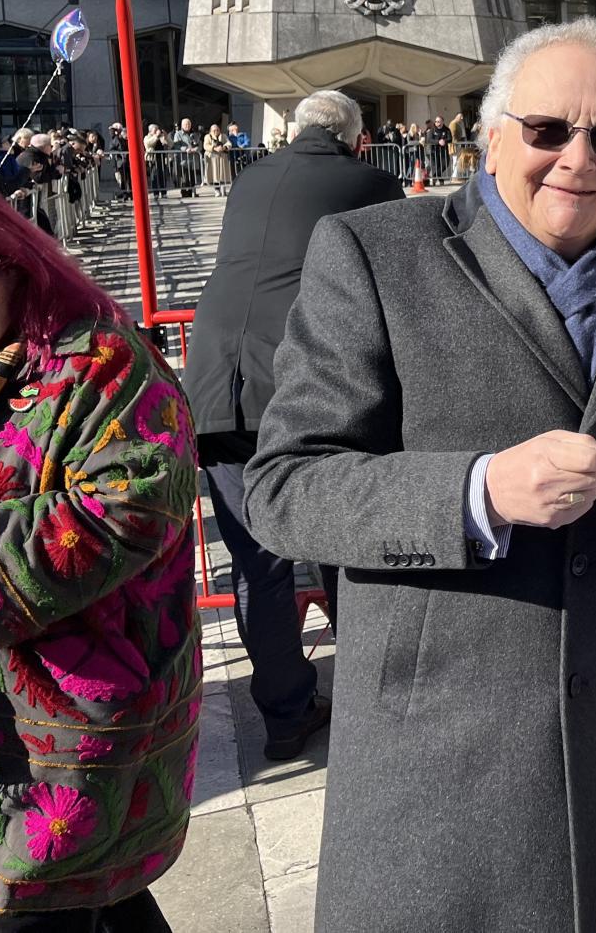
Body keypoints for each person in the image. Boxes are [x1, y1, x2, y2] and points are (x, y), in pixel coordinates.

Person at [243, 21, 596, 931]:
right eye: (548, 130)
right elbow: (285, 487)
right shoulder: (375, 254)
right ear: (490, 137)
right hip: (434, 755)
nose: (578, 159)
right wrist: (477, 491)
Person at [0, 182, 201, 928]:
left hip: (68, 716)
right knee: (99, 898)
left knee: (26, 902)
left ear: (9, 267)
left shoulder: (104, 364)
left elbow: (130, 511)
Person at [183, 90, 402, 763]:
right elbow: (399, 279)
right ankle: (369, 696)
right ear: (357, 139)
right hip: (301, 380)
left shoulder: (250, 176)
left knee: (258, 563)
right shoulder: (369, 182)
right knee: (342, 541)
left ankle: (285, 713)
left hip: (217, 380)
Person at [170, 118, 201, 197]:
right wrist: (185, 149)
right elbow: (176, 145)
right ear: (182, 126)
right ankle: (184, 192)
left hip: (193, 159)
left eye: (189, 124)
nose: (187, 126)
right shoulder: (178, 134)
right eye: (186, 124)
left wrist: (197, 148)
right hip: (183, 160)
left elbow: (199, 143)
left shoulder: (194, 134)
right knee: (184, 177)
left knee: (193, 176)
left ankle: (192, 191)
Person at [202, 122, 233, 195]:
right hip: (212, 159)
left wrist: (224, 147)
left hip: (222, 158)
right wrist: (214, 148)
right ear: (210, 131)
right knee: (214, 175)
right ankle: (217, 190)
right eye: (214, 130)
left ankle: (223, 190)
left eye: (217, 130)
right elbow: (205, 146)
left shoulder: (224, 136)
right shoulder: (207, 136)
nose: (216, 131)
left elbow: (229, 143)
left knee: (223, 174)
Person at [426, 114, 453, 184]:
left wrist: (444, 141)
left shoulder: (447, 129)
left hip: (444, 151)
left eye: (439, 121)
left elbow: (450, 139)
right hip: (434, 151)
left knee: (445, 164)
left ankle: (435, 176)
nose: (437, 123)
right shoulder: (432, 130)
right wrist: (438, 142)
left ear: (442, 122)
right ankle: (441, 180)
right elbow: (429, 140)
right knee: (437, 166)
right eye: (436, 121)